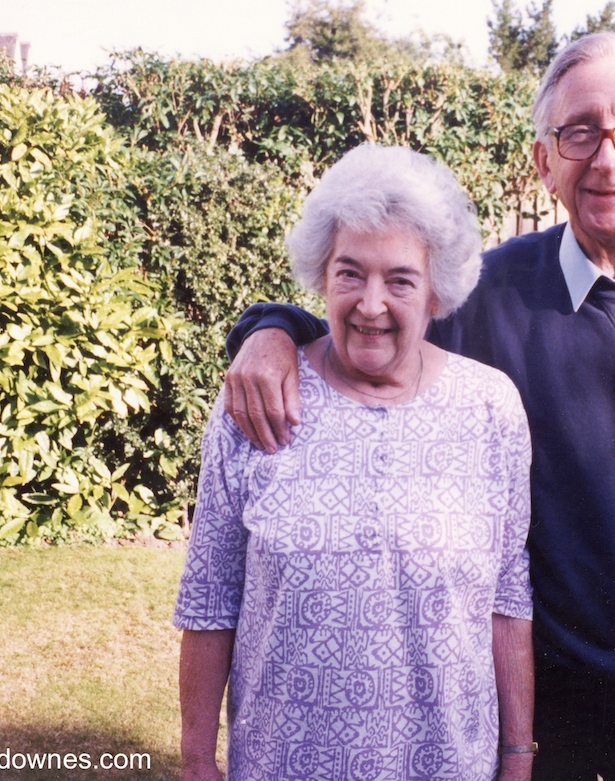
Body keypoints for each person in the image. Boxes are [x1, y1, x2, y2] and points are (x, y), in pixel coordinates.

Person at [222, 32, 615, 781]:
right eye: (579, 132)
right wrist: (269, 329)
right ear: (544, 161)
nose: (607, 158)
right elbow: (368, 331)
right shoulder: (488, 295)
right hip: (537, 689)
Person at [174, 144, 536, 781]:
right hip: (283, 764)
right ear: (321, 275)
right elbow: (209, 602)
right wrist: (198, 760)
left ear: (436, 292)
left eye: (400, 280)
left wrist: (517, 756)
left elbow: (507, 597)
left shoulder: (490, 408)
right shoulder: (259, 401)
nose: (371, 304)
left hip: (448, 766)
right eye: (350, 273)